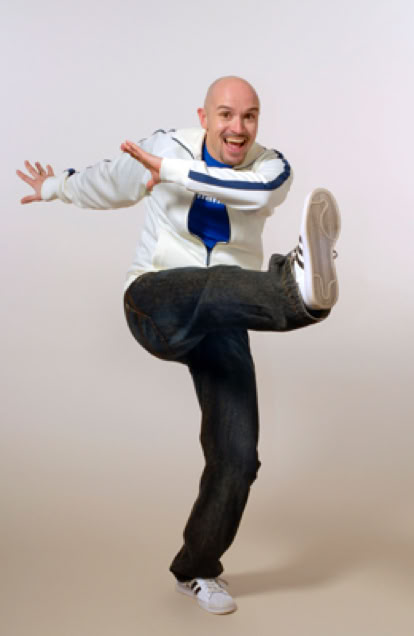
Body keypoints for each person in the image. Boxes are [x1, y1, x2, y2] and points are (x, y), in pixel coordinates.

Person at [16, 76, 340, 615]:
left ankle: (196, 569)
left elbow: (258, 194)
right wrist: (56, 187)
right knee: (214, 281)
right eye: (225, 114)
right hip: (156, 301)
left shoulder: (270, 166)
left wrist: (168, 174)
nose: (238, 127)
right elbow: (111, 181)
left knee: (238, 458)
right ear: (204, 116)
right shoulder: (166, 145)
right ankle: (297, 291)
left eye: (250, 116)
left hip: (225, 314)